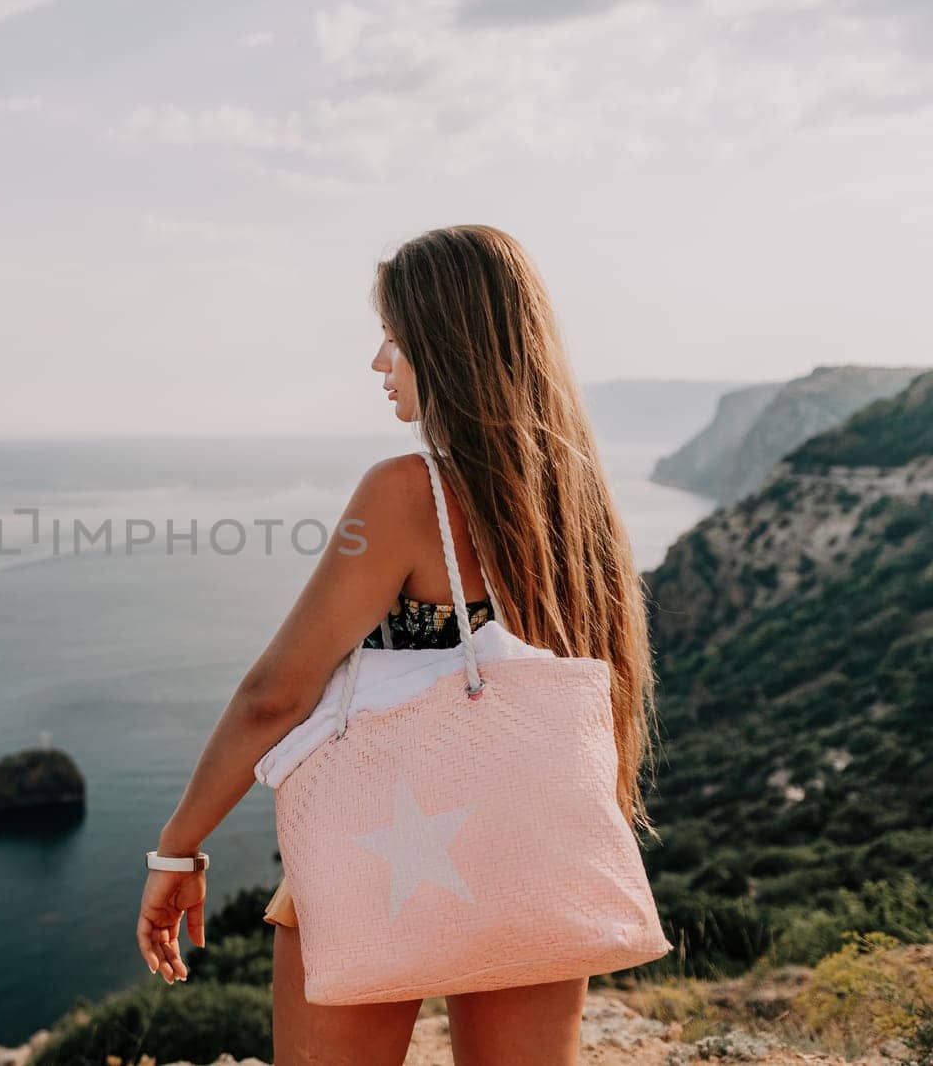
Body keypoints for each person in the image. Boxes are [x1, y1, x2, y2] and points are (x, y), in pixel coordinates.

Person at [134, 224, 660, 1065]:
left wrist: (179, 845)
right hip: (535, 852)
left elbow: (278, 693)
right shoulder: (576, 501)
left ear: (444, 345)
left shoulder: (405, 492)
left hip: (387, 852)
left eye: (394, 338)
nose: (381, 362)